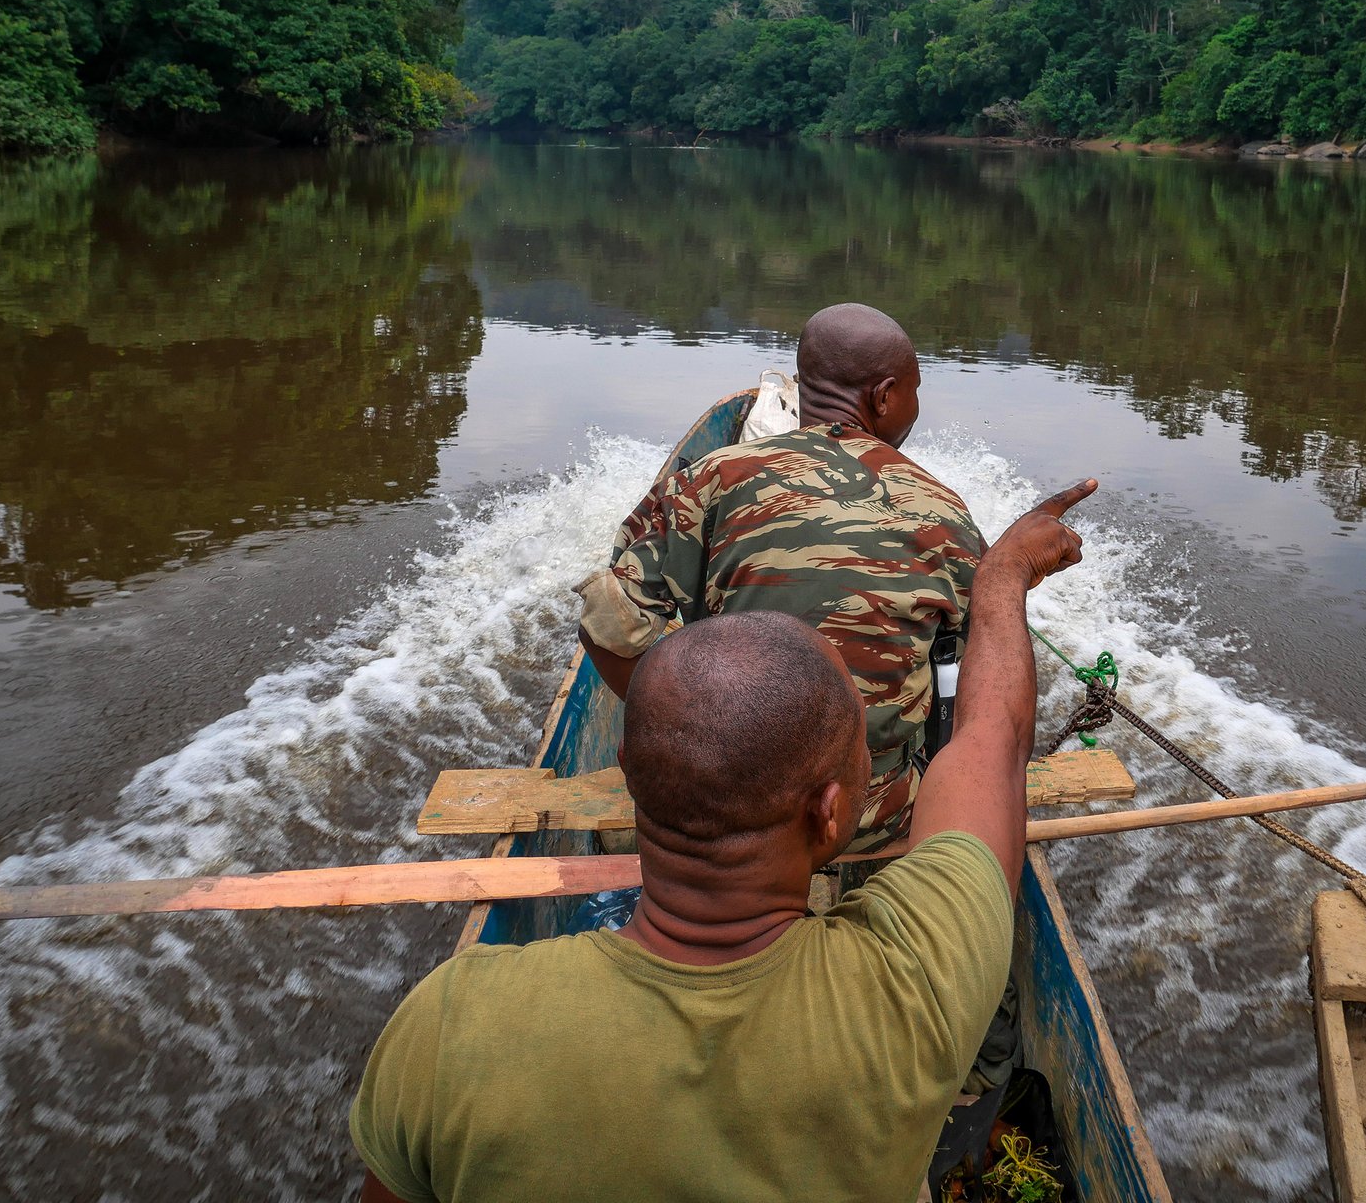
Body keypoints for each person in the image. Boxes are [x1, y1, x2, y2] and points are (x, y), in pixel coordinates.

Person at [351, 481, 1096, 1203]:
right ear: (830, 815)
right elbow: (991, 740)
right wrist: (1002, 575)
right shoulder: (916, 982)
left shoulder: (450, 1022)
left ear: (629, 779)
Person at [576, 302, 981, 853]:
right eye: (914, 390)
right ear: (884, 396)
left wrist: (677, 734)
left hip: (726, 806)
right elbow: (981, 665)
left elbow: (607, 625)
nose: (914, 405)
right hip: (866, 817)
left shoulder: (711, 478)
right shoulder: (945, 511)